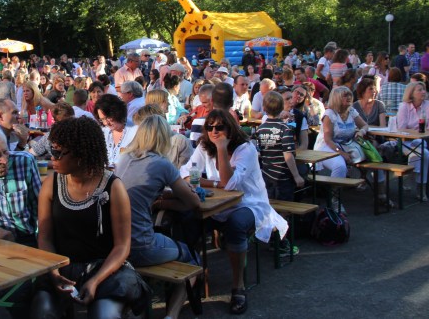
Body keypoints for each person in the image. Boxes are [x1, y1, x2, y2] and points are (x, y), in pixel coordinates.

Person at [31, 117, 150, 318]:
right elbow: (45, 238)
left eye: (58, 153)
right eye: (52, 151)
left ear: (81, 154)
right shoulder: (51, 184)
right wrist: (53, 272)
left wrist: (95, 281)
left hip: (105, 269)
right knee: (42, 310)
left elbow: (122, 247)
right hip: (61, 266)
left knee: (104, 314)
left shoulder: (113, 187)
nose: (53, 157)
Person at [179, 110, 287, 314]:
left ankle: (238, 286)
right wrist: (211, 183)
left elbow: (229, 183)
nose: (214, 131)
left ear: (230, 129)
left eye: (219, 127)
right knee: (187, 220)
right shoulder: (204, 145)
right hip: (218, 204)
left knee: (235, 224)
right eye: (210, 127)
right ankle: (194, 276)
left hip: (250, 203)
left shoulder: (246, 149)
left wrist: (221, 148)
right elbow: (187, 172)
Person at [117, 115, 200, 319]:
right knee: (194, 259)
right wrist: (164, 203)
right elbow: (193, 203)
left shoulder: (123, 158)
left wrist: (160, 202)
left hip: (115, 245)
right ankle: (171, 315)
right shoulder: (162, 164)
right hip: (140, 245)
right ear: (164, 137)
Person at [255, 92, 303, 257]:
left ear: (264, 108)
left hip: (267, 175)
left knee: (271, 207)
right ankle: (280, 242)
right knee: (285, 209)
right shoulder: (284, 129)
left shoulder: (261, 128)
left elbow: (259, 152)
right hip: (283, 176)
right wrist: (296, 175)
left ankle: (271, 238)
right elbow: (288, 154)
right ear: (282, 107)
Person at [313, 87, 369, 210]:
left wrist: (361, 132)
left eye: (349, 95)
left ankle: (381, 195)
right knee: (340, 166)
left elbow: (365, 125)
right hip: (327, 147)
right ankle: (334, 199)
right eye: (345, 95)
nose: (349, 98)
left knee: (375, 158)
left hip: (347, 145)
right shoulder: (330, 114)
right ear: (337, 98)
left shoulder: (351, 111)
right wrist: (342, 154)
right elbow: (328, 139)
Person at [395, 82, 429, 199]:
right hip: (406, 141)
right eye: (419, 90)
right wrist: (416, 133)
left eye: (424, 89)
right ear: (411, 93)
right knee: (424, 154)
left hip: (424, 141)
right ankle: (420, 187)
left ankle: (412, 178)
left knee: (423, 151)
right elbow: (401, 128)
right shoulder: (404, 106)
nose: (423, 92)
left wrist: (416, 133)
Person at [93, 94, 137, 166]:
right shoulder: (104, 132)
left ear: (117, 112)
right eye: (102, 119)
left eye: (108, 117)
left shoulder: (135, 130)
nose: (106, 123)